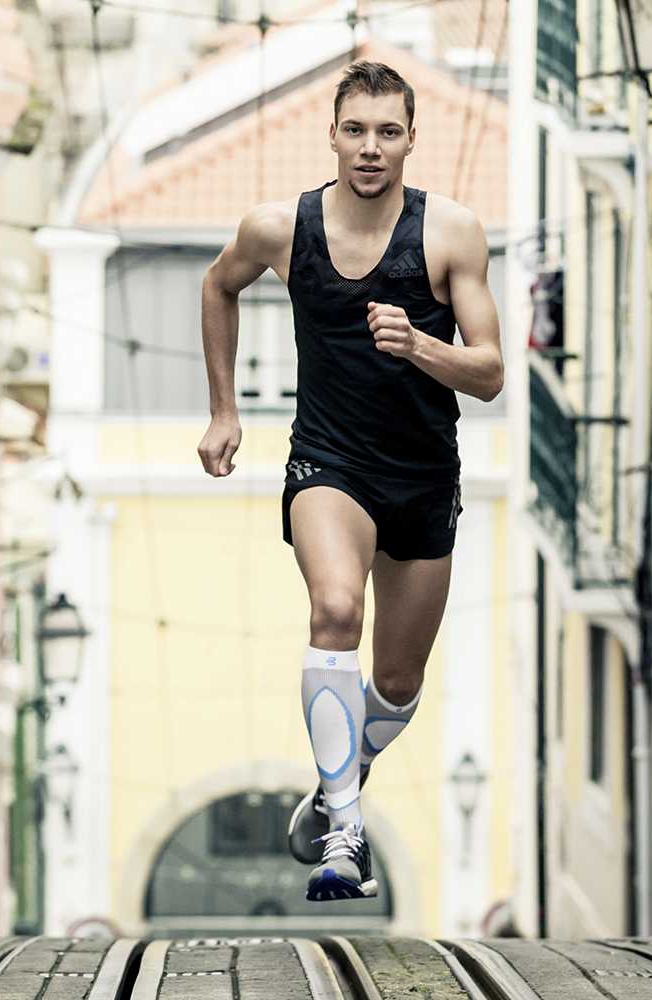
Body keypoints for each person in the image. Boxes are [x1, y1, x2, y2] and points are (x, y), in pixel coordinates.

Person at [197, 60, 502, 902]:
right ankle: (344, 833)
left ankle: (342, 774)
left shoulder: (451, 234)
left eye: (389, 132)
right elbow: (216, 286)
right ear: (331, 136)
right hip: (328, 463)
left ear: (411, 140)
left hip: (423, 476)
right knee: (335, 610)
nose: (371, 148)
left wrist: (421, 348)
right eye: (356, 131)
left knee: (398, 684)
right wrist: (225, 412)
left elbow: (489, 373)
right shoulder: (278, 229)